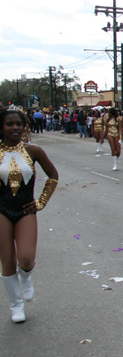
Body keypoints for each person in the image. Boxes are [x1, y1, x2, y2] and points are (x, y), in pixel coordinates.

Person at [0, 107, 59, 323]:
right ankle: (16, 305)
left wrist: (41, 202)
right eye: (9, 124)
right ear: (2, 127)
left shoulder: (33, 150)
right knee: (7, 261)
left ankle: (25, 276)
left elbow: (53, 175)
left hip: (25, 210)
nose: (15, 128)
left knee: (25, 258)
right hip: (1, 211)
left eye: (19, 124)